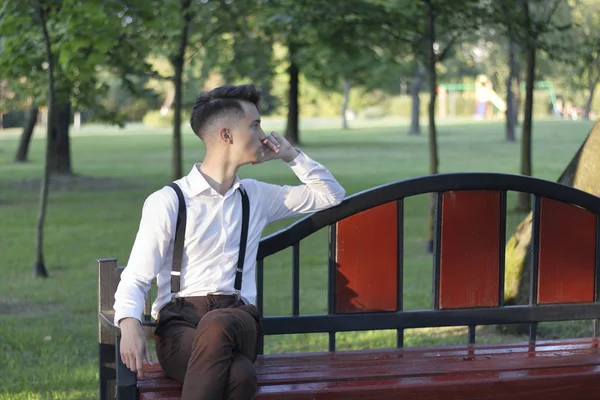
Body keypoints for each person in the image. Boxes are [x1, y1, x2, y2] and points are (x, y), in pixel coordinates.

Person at [113, 83, 345, 400]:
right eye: (255, 125)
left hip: (237, 320)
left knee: (218, 322)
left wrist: (292, 157)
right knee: (240, 376)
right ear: (226, 135)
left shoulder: (256, 196)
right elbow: (138, 276)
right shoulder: (169, 201)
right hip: (179, 328)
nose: (264, 134)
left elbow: (330, 195)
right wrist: (128, 325)